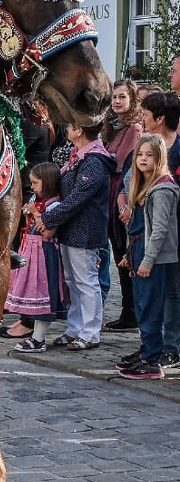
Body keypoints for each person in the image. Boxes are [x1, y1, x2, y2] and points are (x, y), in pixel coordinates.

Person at [33, 123, 116, 351]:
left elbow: (78, 197)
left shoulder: (94, 161)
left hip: (85, 230)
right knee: (72, 281)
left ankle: (90, 332)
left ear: (79, 130)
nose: (67, 128)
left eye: (70, 125)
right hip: (70, 229)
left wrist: (49, 219)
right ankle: (75, 328)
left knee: (86, 281)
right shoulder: (77, 157)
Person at [116, 134, 178, 379]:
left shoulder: (163, 190)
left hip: (153, 255)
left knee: (151, 307)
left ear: (159, 158)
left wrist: (147, 260)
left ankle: (153, 359)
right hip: (138, 250)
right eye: (140, 154)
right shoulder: (145, 187)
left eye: (148, 155)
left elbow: (161, 230)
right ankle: (146, 350)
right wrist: (129, 255)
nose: (142, 159)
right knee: (142, 305)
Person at [6, 162, 67, 352]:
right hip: (31, 250)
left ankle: (39, 338)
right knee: (32, 293)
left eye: (35, 183)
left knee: (43, 293)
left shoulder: (55, 204)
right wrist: (29, 214)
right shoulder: (37, 200)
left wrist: (34, 213)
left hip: (44, 253)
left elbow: (48, 232)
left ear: (47, 183)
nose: (32, 187)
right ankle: (34, 335)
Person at [102, 79, 143, 333]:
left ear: (132, 100)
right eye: (114, 97)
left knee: (124, 254)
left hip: (122, 194)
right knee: (118, 256)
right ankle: (128, 310)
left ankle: (132, 312)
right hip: (109, 193)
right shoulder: (113, 127)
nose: (117, 101)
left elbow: (116, 162)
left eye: (122, 97)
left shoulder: (134, 128)